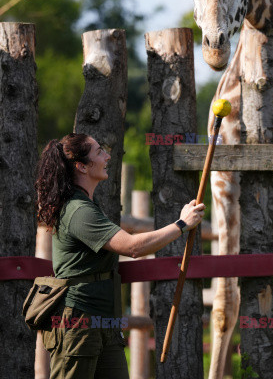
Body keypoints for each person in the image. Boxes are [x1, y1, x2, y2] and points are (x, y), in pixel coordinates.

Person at [36, 133, 205, 379]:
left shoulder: (87, 205)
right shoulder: (78, 210)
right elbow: (133, 247)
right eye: (98, 152)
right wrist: (181, 224)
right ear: (82, 166)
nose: (108, 156)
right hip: (79, 324)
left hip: (106, 322)